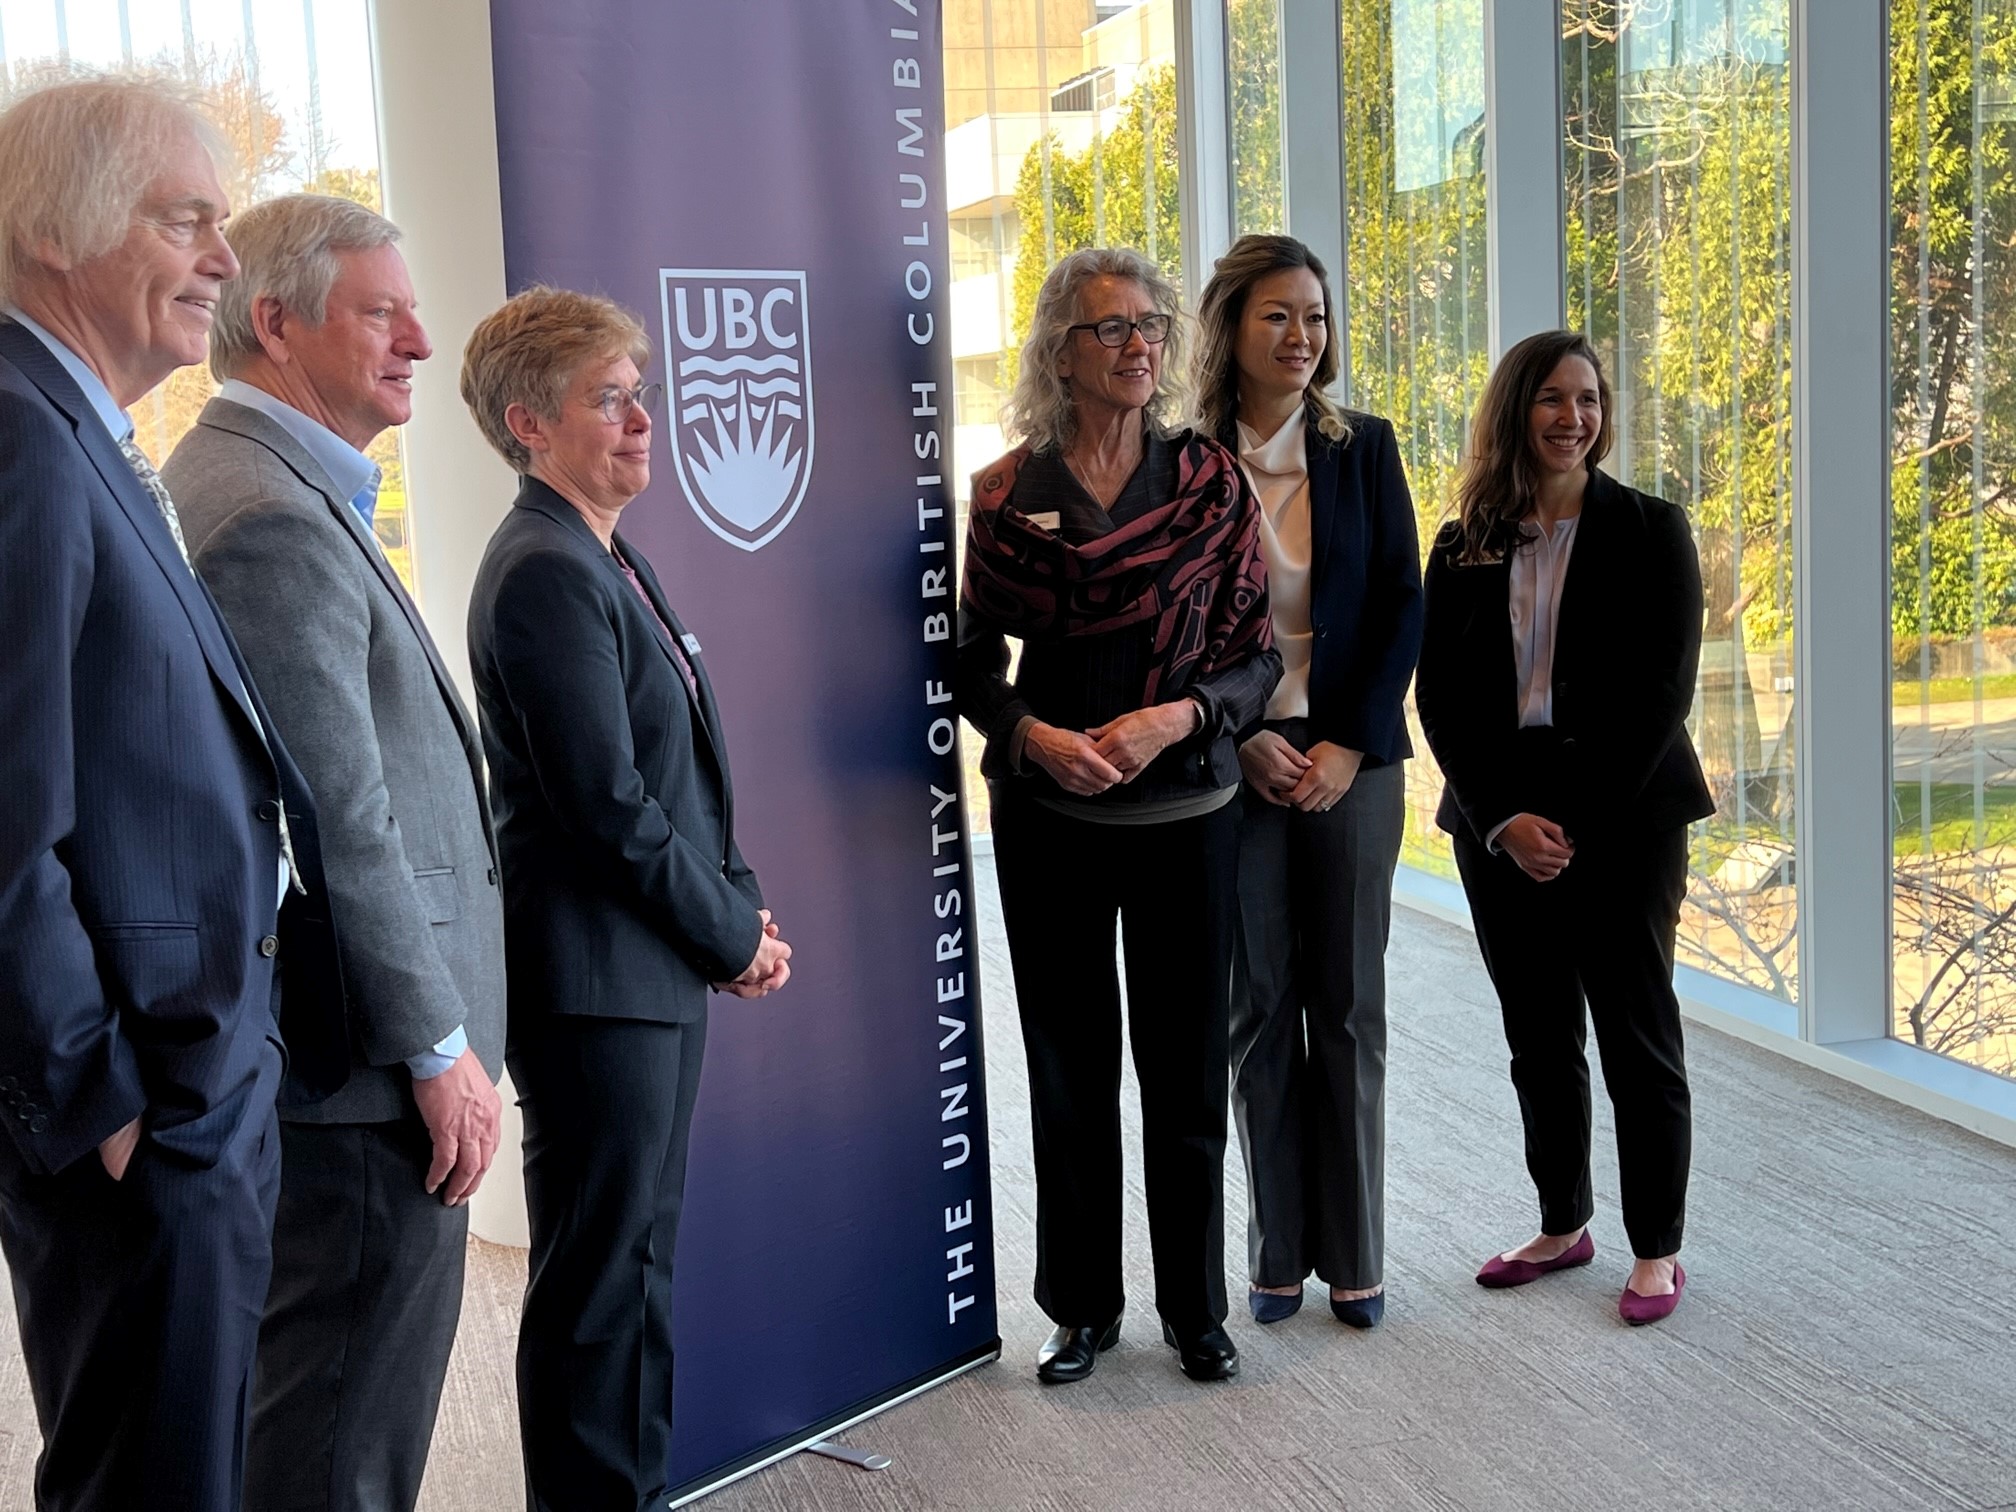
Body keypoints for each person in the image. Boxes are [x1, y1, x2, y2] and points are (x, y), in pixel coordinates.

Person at [0, 78, 346, 1511]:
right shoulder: (19, 439)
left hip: (193, 1075)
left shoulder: (79, 430)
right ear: (55, 230)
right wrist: (104, 1102)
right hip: (144, 1109)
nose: (222, 257)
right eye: (188, 220)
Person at [162, 193, 504, 1512]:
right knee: (338, 1438)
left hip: (360, 1062)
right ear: (275, 323)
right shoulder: (267, 511)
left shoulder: (281, 485)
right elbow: (338, 818)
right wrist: (436, 1048)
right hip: (366, 1078)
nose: (421, 335)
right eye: (381, 310)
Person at [461, 285, 792, 1510]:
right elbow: (605, 805)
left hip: (646, 970)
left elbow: (683, 763)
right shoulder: (544, 569)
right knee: (602, 1289)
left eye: (639, 392)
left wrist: (738, 910)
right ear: (528, 422)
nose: (643, 418)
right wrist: (727, 936)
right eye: (610, 399)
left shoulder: (602, 549)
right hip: (601, 987)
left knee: (634, 1273)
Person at [958, 247, 1280, 1386]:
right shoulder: (1004, 495)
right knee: (1070, 1067)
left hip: (1188, 813)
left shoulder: (1208, 483)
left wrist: (1175, 719)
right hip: (1049, 822)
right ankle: (1082, 1306)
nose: (1141, 344)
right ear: (1062, 351)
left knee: (1187, 1069)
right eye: (1113, 329)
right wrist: (1026, 734)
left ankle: (1196, 1311)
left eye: (1153, 325)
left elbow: (1258, 663)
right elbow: (968, 662)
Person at [1414, 329, 1712, 1326]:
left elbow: (1661, 694)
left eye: (1588, 399)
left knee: (1636, 1033)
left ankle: (1658, 1248)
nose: (1572, 417)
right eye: (1551, 397)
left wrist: (1569, 822)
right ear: (1515, 412)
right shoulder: (1462, 543)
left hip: (1622, 813)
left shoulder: (1652, 528)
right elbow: (1442, 700)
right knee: (1538, 1034)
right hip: (1499, 815)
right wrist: (1504, 818)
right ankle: (1563, 1222)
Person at [1193, 234, 1422, 1331]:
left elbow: (1398, 604)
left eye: (1316, 317)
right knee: (1258, 1008)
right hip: (1231, 768)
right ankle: (1277, 1252)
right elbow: (1165, 622)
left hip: (1349, 767)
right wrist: (1240, 736)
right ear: (1232, 326)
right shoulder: (1183, 459)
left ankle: (1357, 1257)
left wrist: (1345, 743)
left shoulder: (1363, 448)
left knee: (1348, 1007)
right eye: (1279, 315)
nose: (1302, 336)